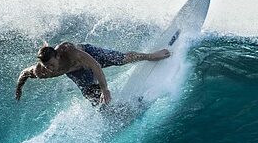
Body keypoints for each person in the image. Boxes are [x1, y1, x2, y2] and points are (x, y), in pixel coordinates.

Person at [15, 41, 170, 106]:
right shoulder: (42, 71)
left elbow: (95, 66)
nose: (51, 69)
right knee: (93, 97)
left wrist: (105, 89)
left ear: (57, 56)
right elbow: (24, 73)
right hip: (77, 74)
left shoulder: (70, 51)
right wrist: (19, 89)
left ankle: (150, 55)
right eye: (47, 66)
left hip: (90, 56)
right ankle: (116, 112)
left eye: (52, 64)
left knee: (121, 59)